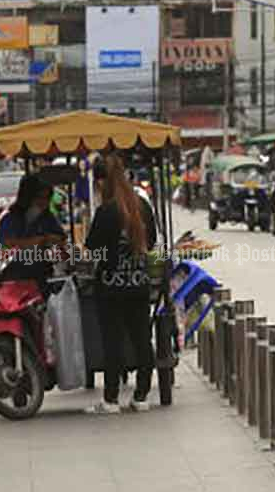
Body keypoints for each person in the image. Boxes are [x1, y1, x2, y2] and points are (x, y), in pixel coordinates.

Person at [84, 155, 157, 415]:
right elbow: (152, 242)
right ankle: (141, 396)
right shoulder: (143, 206)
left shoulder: (106, 211)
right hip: (139, 284)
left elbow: (92, 246)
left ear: (102, 181)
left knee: (112, 342)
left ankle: (111, 399)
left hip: (111, 286)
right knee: (141, 339)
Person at [0, 174, 64, 284]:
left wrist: (54, 241)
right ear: (26, 196)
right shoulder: (9, 218)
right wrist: (39, 241)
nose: (43, 202)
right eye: (39, 197)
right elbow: (6, 244)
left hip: (41, 276)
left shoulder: (48, 218)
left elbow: (60, 240)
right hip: (13, 278)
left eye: (47, 198)